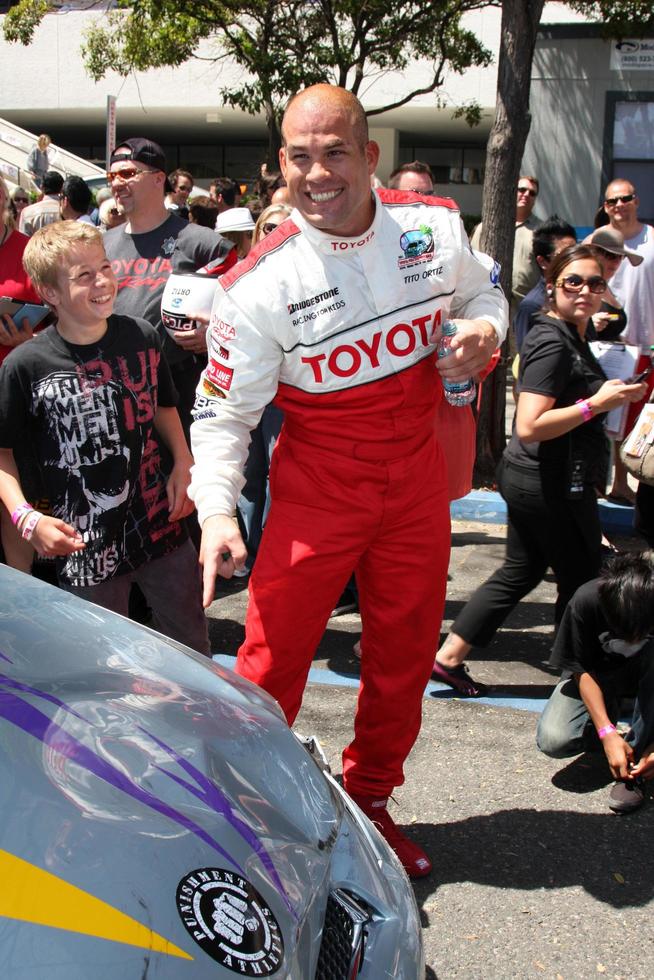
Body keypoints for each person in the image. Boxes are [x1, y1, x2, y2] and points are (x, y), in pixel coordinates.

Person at [189, 83, 507, 878]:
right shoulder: (255, 284)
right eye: (300, 156)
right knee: (268, 665)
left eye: (336, 152)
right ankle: (250, 820)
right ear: (280, 167)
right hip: (315, 491)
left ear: (370, 157)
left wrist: (483, 331)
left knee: (402, 660)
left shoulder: (432, 224)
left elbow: (486, 292)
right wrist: (217, 511)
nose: (318, 172)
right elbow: (223, 416)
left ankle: (369, 802)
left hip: (415, 487)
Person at [432, 245, 645, 697]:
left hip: (541, 478)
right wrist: (596, 404)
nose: (585, 290)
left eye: (596, 283)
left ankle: (449, 658)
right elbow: (528, 425)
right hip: (549, 482)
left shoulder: (572, 332)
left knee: (521, 570)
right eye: (574, 282)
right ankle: (582, 679)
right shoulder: (553, 340)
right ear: (552, 288)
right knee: (584, 578)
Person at [0, 222, 209, 654]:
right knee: (102, 662)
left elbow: (164, 408)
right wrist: (26, 518)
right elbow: (3, 456)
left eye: (104, 267)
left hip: (162, 528)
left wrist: (184, 462)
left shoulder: (143, 337)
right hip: (84, 545)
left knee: (191, 646)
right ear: (50, 294)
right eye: (83, 276)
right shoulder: (25, 366)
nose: (102, 282)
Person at [103, 137, 235, 439]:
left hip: (179, 386)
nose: (117, 183)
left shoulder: (202, 242)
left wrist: (212, 334)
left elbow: (246, 305)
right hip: (116, 385)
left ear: (159, 179)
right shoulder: (102, 244)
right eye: (113, 176)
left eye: (127, 174)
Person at [537, 552, 654, 814]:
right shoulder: (586, 599)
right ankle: (615, 731)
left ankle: (632, 768)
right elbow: (580, 668)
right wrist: (606, 732)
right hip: (600, 675)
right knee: (554, 739)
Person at [235, 204, 293, 574]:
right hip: (245, 392)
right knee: (247, 476)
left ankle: (271, 557)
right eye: (268, 225)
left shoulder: (306, 277)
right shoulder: (240, 276)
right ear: (257, 231)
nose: (275, 232)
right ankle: (247, 554)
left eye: (283, 226)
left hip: (284, 398)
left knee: (277, 477)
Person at [0, 173, 43, 573]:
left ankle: (21, 585)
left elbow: (58, 314)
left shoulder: (27, 251)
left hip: (18, 386)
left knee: (14, 494)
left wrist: (25, 340)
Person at [471, 175, 541, 317]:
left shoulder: (541, 231)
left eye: (532, 193)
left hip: (525, 310)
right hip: (488, 306)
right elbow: (471, 263)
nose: (526, 194)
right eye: (522, 190)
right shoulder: (485, 228)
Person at [603, 179, 654, 350]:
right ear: (605, 207)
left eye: (626, 199)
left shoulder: (652, 239)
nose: (619, 204)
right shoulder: (593, 243)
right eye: (612, 201)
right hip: (605, 344)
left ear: (636, 202)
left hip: (648, 346)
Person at [513, 215, 577, 352]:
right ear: (543, 261)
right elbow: (526, 358)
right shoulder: (531, 306)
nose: (573, 259)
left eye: (575, 252)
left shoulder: (581, 294)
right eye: (563, 255)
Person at [19, 171, 64, 237]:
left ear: (41, 186)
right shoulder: (67, 212)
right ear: (61, 189)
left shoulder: (27, 212)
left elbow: (23, 241)